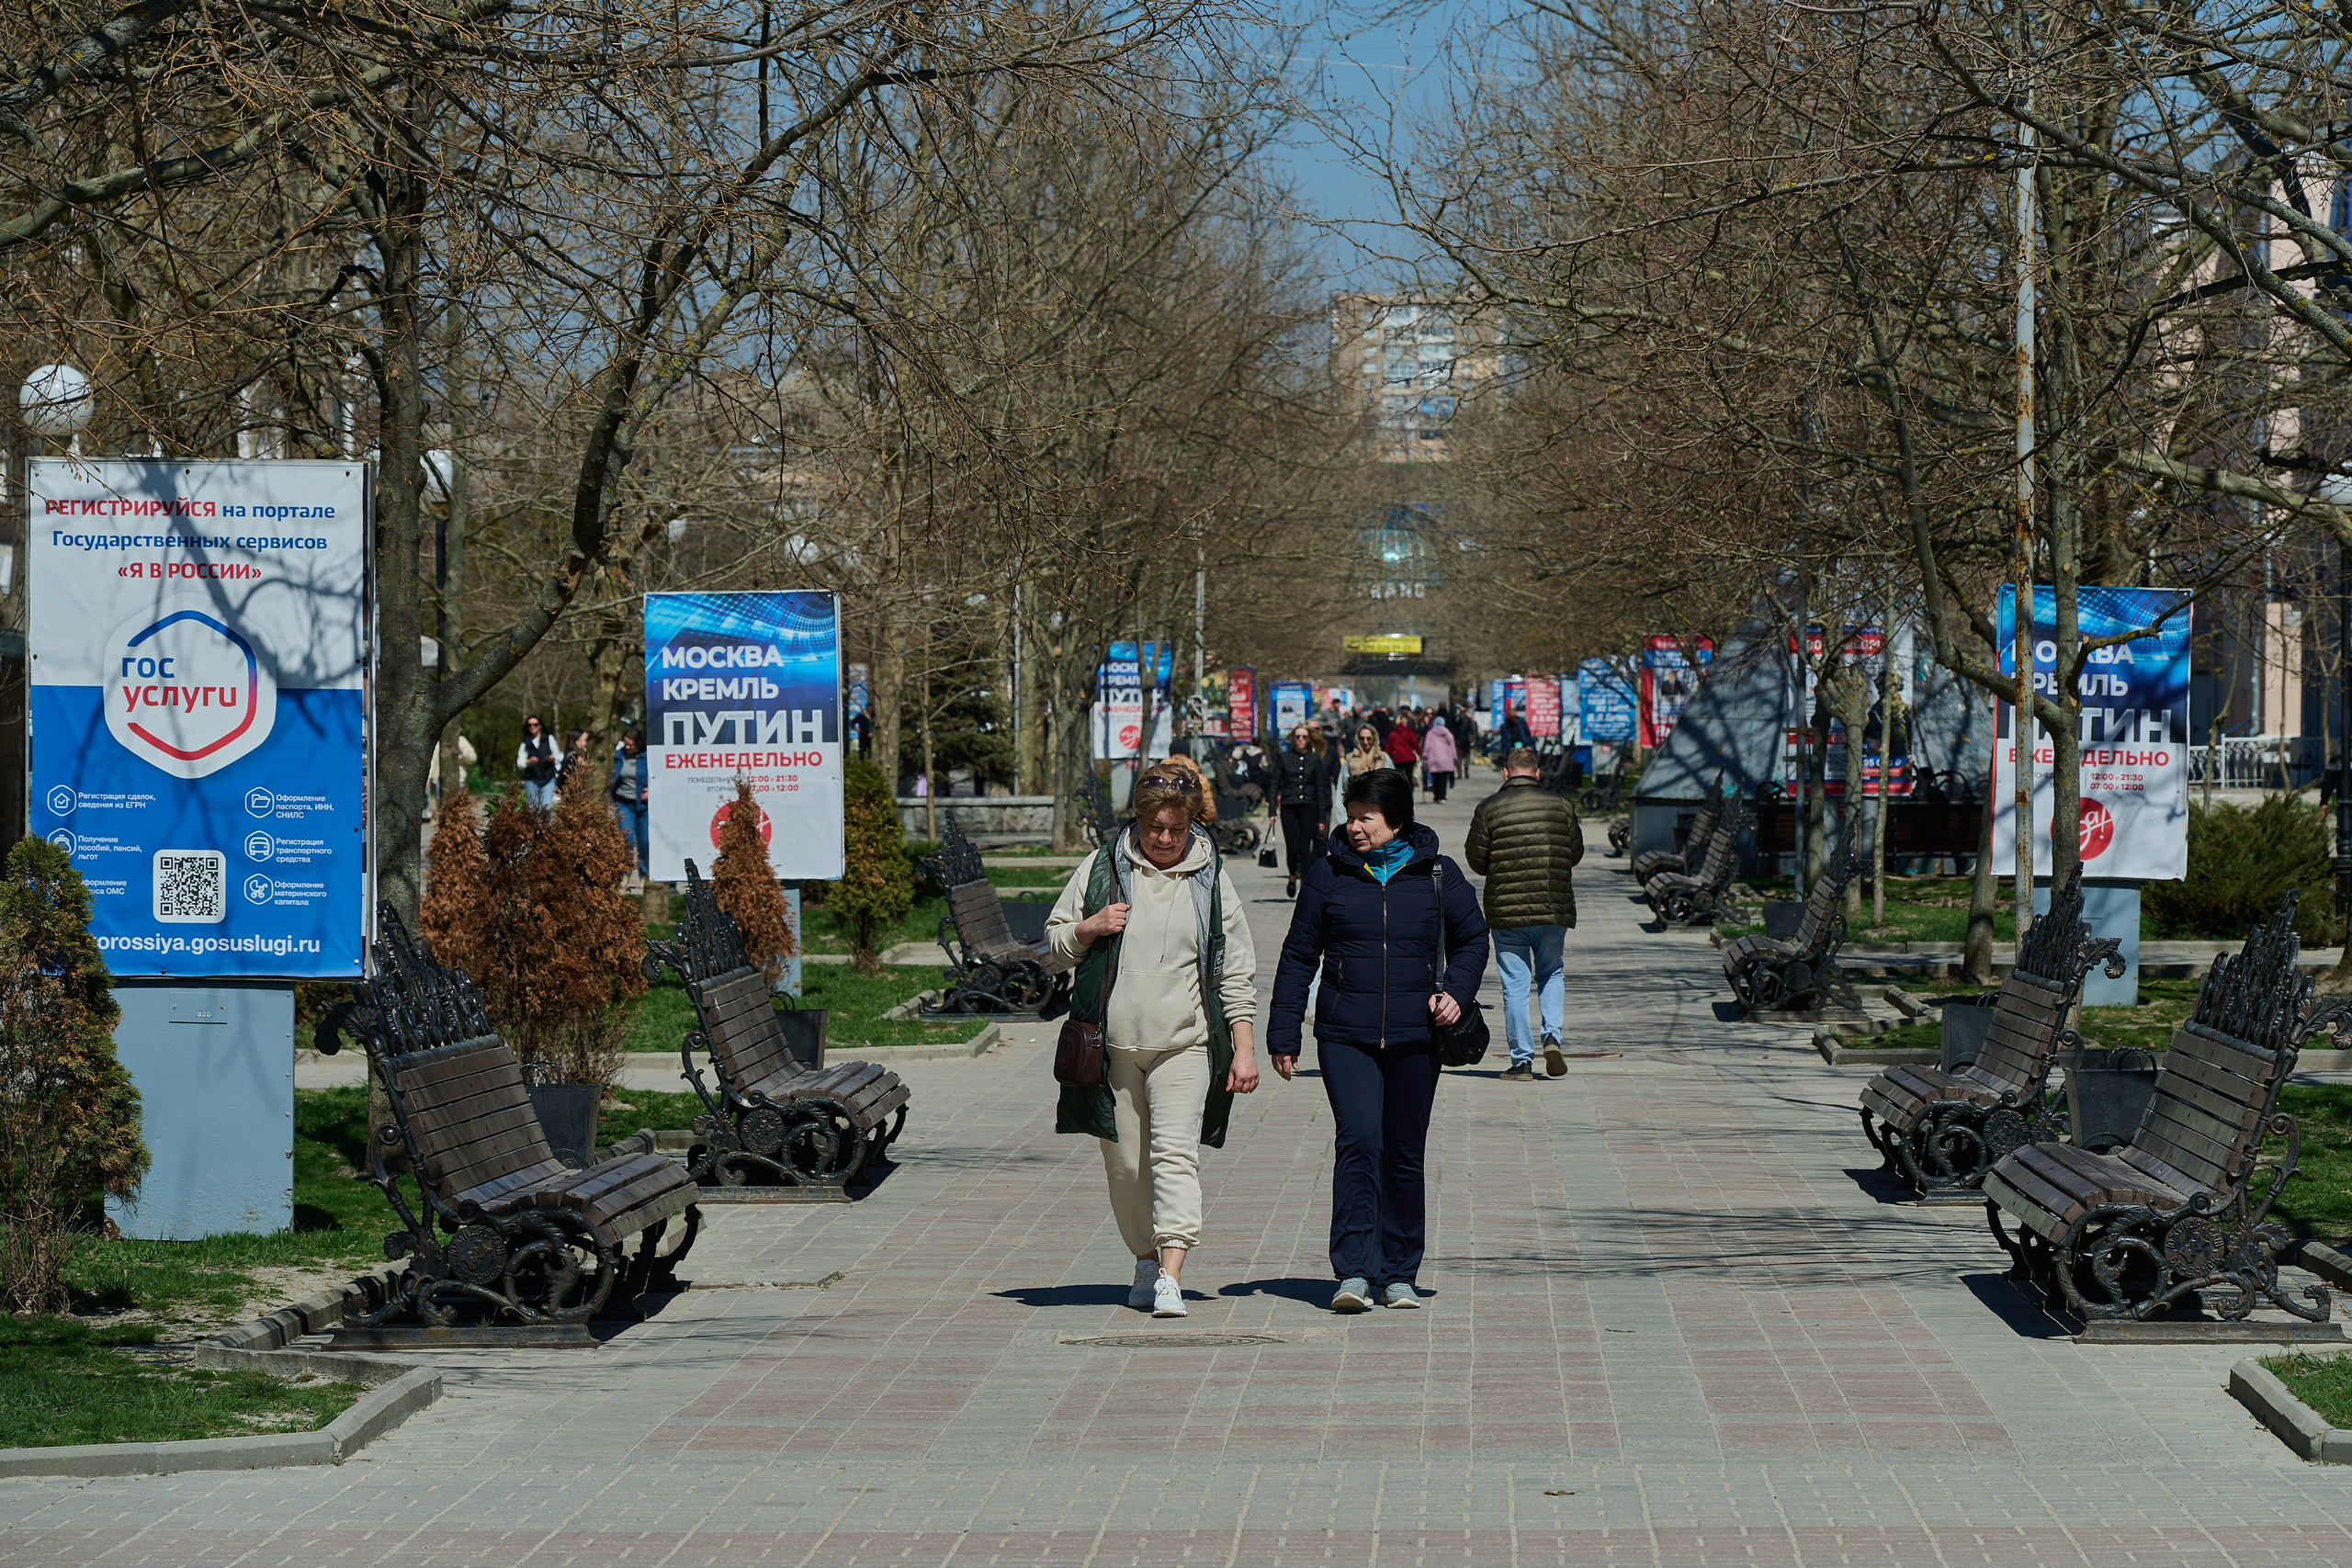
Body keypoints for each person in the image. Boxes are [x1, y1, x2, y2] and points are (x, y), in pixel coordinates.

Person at [1267, 768, 1488, 1312]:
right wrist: (1283, 1030)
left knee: (1404, 1153)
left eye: (1367, 817)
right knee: (1360, 1143)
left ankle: (1398, 1274)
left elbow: (1473, 939)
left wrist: (1457, 993)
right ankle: (1353, 1274)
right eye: (1351, 815)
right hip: (1347, 1035)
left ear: (1397, 821)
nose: (1355, 826)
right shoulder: (1328, 874)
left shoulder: (1439, 873)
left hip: (1418, 1036)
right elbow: (1299, 956)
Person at [1047, 763, 1261, 1319]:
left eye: (1175, 829)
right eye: (1154, 828)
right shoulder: (1102, 870)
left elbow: (1235, 971)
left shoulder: (1210, 879)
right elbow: (1054, 946)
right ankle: (1143, 1257)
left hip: (1184, 1043)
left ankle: (1170, 1273)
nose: (1164, 839)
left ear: (1190, 824)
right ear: (1138, 821)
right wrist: (1089, 927)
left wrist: (1243, 1046)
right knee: (1125, 1166)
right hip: (1113, 1049)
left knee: (1175, 1155)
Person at [1465, 746, 1585, 1081]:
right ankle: (1552, 1037)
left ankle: (1522, 1062)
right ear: (1537, 774)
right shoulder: (1561, 805)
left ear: (1506, 773)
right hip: (1552, 906)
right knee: (1551, 973)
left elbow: (1477, 860)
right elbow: (1575, 852)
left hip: (1507, 910)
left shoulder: (1489, 808)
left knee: (1515, 985)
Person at [1274, 725, 1330, 897]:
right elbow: (1274, 784)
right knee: (1292, 849)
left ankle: (1305, 886)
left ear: (1309, 740)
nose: (1300, 740)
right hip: (1289, 807)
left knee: (1304, 848)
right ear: (1293, 739)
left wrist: (1322, 818)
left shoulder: (1314, 760)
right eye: (1297, 736)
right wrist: (1271, 811)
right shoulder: (1284, 758)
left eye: (1304, 737)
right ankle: (1292, 876)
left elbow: (1320, 790)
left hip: (1309, 807)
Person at [611, 729, 650, 886]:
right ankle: (625, 873)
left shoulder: (647, 757)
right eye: (625, 744)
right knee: (626, 839)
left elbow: (659, 776)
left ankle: (644, 874)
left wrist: (652, 790)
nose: (627, 747)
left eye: (631, 745)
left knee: (644, 841)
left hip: (643, 806)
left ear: (638, 744)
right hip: (623, 803)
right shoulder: (618, 756)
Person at [516, 715, 559, 809]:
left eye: (535, 724)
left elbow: (558, 755)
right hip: (531, 778)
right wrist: (528, 762)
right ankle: (534, 824)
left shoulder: (549, 738)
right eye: (530, 725)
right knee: (532, 808)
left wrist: (552, 758)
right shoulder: (525, 742)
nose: (532, 727)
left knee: (547, 807)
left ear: (540, 726)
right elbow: (520, 762)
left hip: (548, 777)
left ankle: (547, 824)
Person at [1420, 710, 1458, 804]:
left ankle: (1436, 796)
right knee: (1444, 779)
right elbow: (1452, 746)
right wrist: (1454, 756)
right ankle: (1443, 797)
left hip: (1434, 758)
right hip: (1446, 759)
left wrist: (1424, 754)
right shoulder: (1448, 733)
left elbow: (1427, 746)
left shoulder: (1430, 733)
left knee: (1435, 778)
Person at [1383, 711, 1421, 788]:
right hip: (1409, 758)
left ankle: (1400, 792)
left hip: (1398, 758)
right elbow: (1415, 745)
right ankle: (1410, 793)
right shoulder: (1409, 732)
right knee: (1409, 776)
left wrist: (1387, 755)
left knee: (1399, 777)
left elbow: (1388, 747)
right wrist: (1420, 753)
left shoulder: (1392, 734)